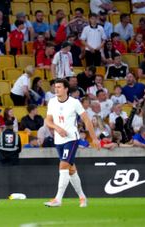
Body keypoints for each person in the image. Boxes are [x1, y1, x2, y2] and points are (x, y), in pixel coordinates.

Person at [44, 78, 100, 207]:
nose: (56, 89)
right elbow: (48, 121)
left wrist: (94, 138)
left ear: (66, 89)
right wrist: (57, 128)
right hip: (59, 140)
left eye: (59, 87)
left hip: (72, 139)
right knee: (71, 170)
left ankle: (58, 199)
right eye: (55, 87)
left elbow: (86, 120)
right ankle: (82, 197)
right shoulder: (52, 102)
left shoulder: (74, 102)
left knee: (63, 165)